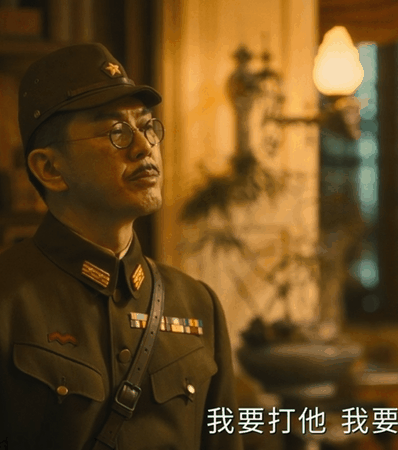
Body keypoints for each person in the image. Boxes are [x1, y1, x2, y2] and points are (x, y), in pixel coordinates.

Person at [0, 43, 243, 449]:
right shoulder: (9, 300)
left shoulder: (197, 305)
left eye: (147, 127)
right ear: (50, 168)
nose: (144, 147)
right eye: (115, 132)